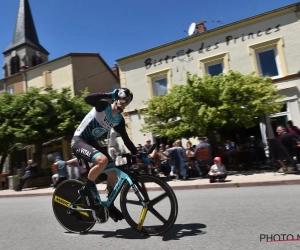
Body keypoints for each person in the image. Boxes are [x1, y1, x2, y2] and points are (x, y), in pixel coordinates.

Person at [71, 88, 150, 223]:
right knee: (102, 160)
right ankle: (85, 191)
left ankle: (109, 204)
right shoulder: (103, 105)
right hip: (79, 140)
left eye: (127, 101)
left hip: (92, 142)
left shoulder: (119, 120)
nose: (124, 103)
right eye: (122, 98)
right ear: (117, 97)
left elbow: (125, 139)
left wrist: (138, 155)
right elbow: (87, 98)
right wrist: (108, 94)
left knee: (113, 172)